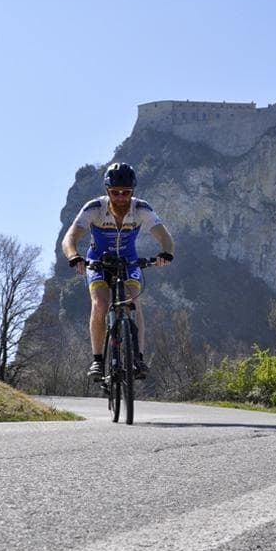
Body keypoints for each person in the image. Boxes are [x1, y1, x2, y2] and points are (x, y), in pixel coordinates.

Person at [61, 162, 175, 387]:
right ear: (107, 191)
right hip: (98, 262)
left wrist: (166, 253)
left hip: (129, 261)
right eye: (115, 193)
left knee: (135, 302)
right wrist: (74, 256)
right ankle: (97, 360)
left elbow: (165, 236)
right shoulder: (94, 207)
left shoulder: (141, 208)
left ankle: (138, 358)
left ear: (133, 192)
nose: (121, 197)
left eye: (126, 193)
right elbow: (69, 238)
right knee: (100, 304)